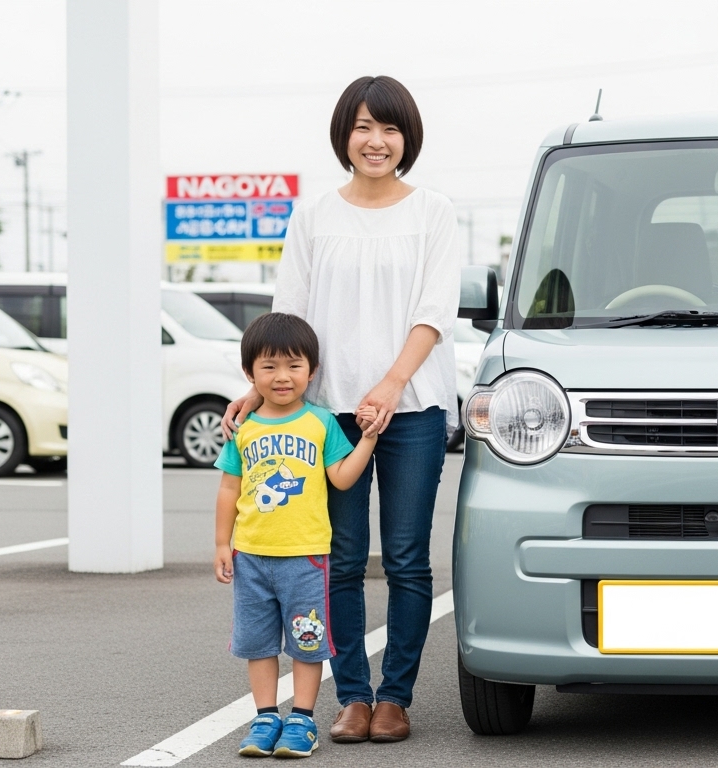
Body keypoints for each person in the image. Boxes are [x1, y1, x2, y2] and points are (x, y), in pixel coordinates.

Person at [222, 75, 459, 744]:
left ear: (406, 137)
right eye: (362, 126)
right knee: (344, 558)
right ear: (343, 136)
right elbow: (286, 317)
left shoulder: (432, 212)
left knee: (408, 558)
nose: (375, 140)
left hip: (410, 407)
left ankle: (396, 698)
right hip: (326, 416)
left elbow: (434, 313)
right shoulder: (315, 214)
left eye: (388, 128)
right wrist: (258, 387)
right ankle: (353, 695)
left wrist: (390, 383)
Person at [214, 313, 379, 758]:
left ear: (312, 370)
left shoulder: (321, 423)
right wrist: (220, 545)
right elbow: (229, 487)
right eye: (268, 367)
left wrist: (367, 440)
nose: (282, 377)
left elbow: (342, 479)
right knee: (258, 642)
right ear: (250, 374)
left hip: (306, 557)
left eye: (293, 366)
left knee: (307, 642)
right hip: (250, 555)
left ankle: (302, 720)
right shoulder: (243, 427)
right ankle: (266, 716)